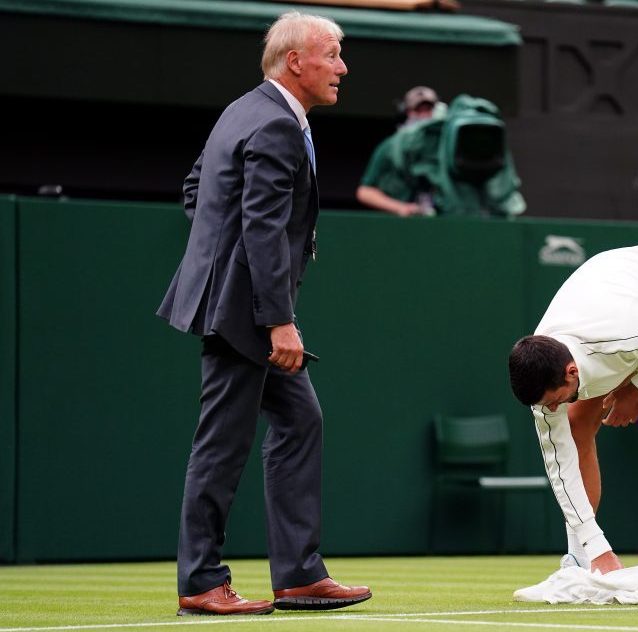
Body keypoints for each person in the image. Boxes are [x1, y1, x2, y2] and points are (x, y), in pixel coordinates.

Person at [157, 12, 371, 615]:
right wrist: (276, 318)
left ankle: (299, 573)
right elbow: (262, 226)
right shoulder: (275, 123)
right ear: (295, 61)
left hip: (232, 298)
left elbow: (197, 190)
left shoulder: (244, 110)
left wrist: (214, 264)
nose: (342, 66)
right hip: (245, 313)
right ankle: (201, 581)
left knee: (300, 421)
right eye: (332, 54)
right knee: (221, 445)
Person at [508, 244, 638, 606]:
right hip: (621, 293)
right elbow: (561, 468)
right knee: (574, 428)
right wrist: (597, 548)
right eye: (546, 405)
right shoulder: (541, 377)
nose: (551, 408)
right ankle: (578, 564)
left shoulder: (617, 333)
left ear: (571, 372)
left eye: (555, 399)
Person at [355, 86, 439, 216]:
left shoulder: (443, 148)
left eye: (428, 110)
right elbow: (364, 192)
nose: (424, 116)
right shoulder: (389, 146)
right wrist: (401, 207)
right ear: (407, 112)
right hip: (396, 223)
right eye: (418, 110)